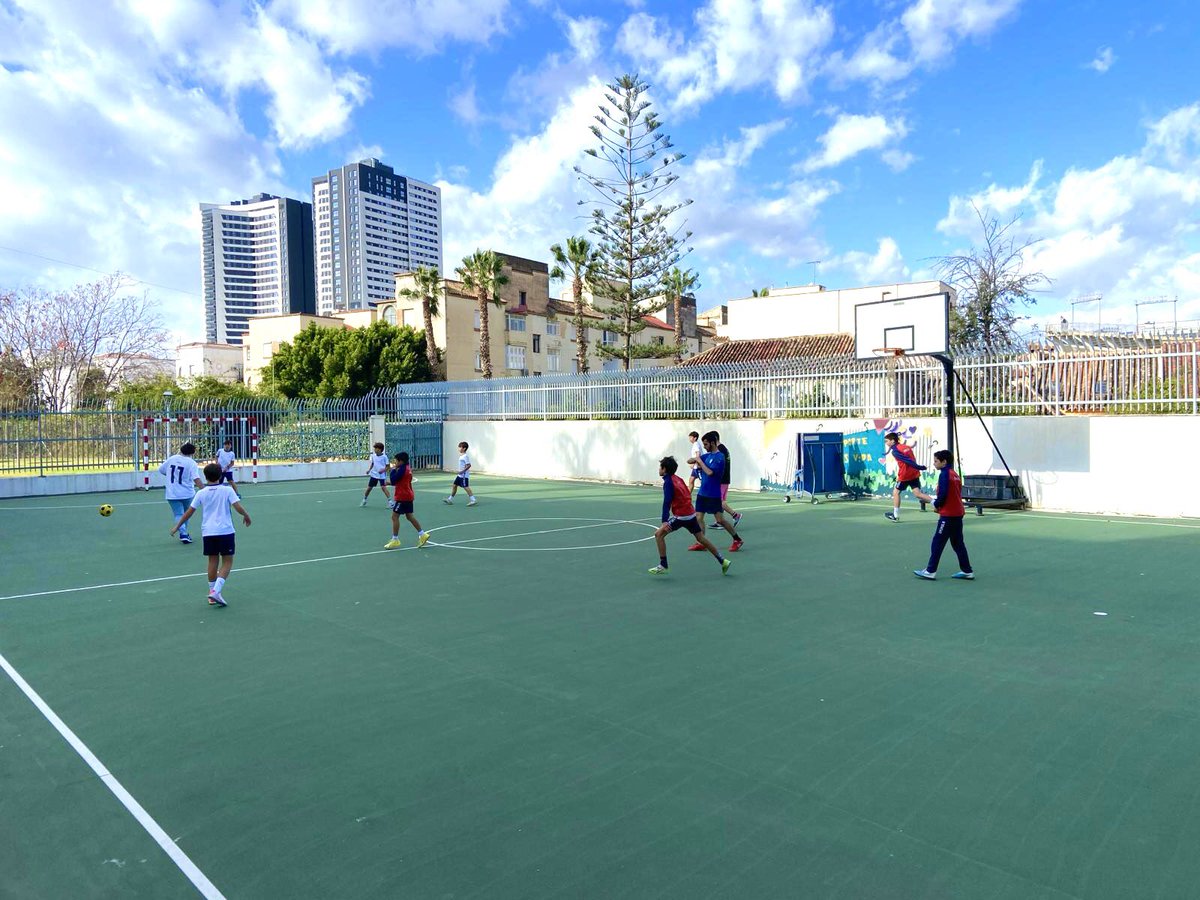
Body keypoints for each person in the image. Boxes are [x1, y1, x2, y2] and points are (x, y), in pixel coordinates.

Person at [170, 462, 251, 607]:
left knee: (212, 562)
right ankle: (216, 591)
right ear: (220, 476)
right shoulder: (227, 490)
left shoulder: (201, 493)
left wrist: (178, 525)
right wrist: (246, 515)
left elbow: (189, 511)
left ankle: (211, 594)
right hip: (225, 531)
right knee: (227, 562)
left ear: (205, 477)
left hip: (208, 532)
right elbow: (237, 506)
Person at [648, 456, 731, 576]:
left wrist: (664, 521)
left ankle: (663, 565)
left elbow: (667, 502)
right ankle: (722, 560)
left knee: (658, 535)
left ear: (664, 469)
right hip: (690, 514)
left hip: (681, 516)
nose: (659, 469)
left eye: (660, 467)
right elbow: (687, 493)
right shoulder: (678, 479)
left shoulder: (668, 482)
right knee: (701, 538)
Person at [914, 450, 974, 581]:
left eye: (936, 461)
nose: (934, 463)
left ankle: (930, 571)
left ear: (944, 462)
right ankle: (967, 571)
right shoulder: (955, 474)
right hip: (957, 513)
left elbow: (943, 494)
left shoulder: (945, 474)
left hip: (949, 515)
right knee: (958, 543)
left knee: (938, 542)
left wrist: (937, 504)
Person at [688, 431, 744, 552]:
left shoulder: (720, 457)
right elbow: (690, 461)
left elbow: (710, 472)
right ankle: (701, 542)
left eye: (706, 444)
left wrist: (699, 461)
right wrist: (694, 458)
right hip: (702, 493)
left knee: (720, 520)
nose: (704, 447)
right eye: (703, 444)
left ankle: (737, 539)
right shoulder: (706, 456)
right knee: (698, 517)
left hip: (713, 494)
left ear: (713, 443)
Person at [879, 432, 934, 521]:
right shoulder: (906, 447)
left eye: (887, 441)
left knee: (896, 493)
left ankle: (895, 516)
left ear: (892, 441)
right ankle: (936, 503)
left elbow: (908, 461)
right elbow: (911, 459)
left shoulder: (895, 451)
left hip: (905, 475)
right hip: (914, 474)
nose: (886, 443)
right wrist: (918, 468)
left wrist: (920, 467)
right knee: (918, 494)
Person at [159, 441, 203, 545]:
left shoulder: (172, 458)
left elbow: (161, 470)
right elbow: (196, 478)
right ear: (192, 453)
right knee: (186, 514)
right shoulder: (191, 463)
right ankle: (183, 533)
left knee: (178, 513)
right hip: (187, 493)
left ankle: (183, 532)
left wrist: (170, 474)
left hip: (171, 493)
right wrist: (204, 489)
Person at [385, 452, 430, 549]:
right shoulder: (407, 468)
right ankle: (422, 534)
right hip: (408, 495)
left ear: (401, 461)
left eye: (396, 461)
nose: (395, 462)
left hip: (403, 497)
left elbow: (393, 480)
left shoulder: (402, 470)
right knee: (409, 516)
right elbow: (398, 481)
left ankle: (395, 539)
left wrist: (392, 470)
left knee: (394, 517)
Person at [714, 432, 742, 527]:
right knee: (720, 501)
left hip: (722, 479)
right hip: (725, 479)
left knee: (719, 501)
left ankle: (735, 515)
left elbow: (719, 464)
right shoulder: (724, 448)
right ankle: (719, 521)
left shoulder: (720, 449)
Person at [444, 441, 477, 506]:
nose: (459, 449)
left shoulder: (465, 456)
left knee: (466, 487)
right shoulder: (461, 456)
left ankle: (473, 500)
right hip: (460, 475)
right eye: (459, 447)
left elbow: (469, 465)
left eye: (460, 447)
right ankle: (449, 499)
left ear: (464, 448)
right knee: (454, 485)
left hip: (464, 475)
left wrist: (462, 471)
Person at [362, 442, 389, 507]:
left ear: (380, 449)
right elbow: (373, 464)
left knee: (383, 487)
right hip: (374, 475)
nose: (375, 449)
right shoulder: (373, 456)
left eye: (376, 448)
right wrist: (369, 470)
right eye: (375, 448)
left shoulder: (384, 457)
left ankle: (390, 502)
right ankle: (364, 500)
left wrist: (383, 470)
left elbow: (388, 466)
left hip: (381, 475)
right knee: (369, 488)